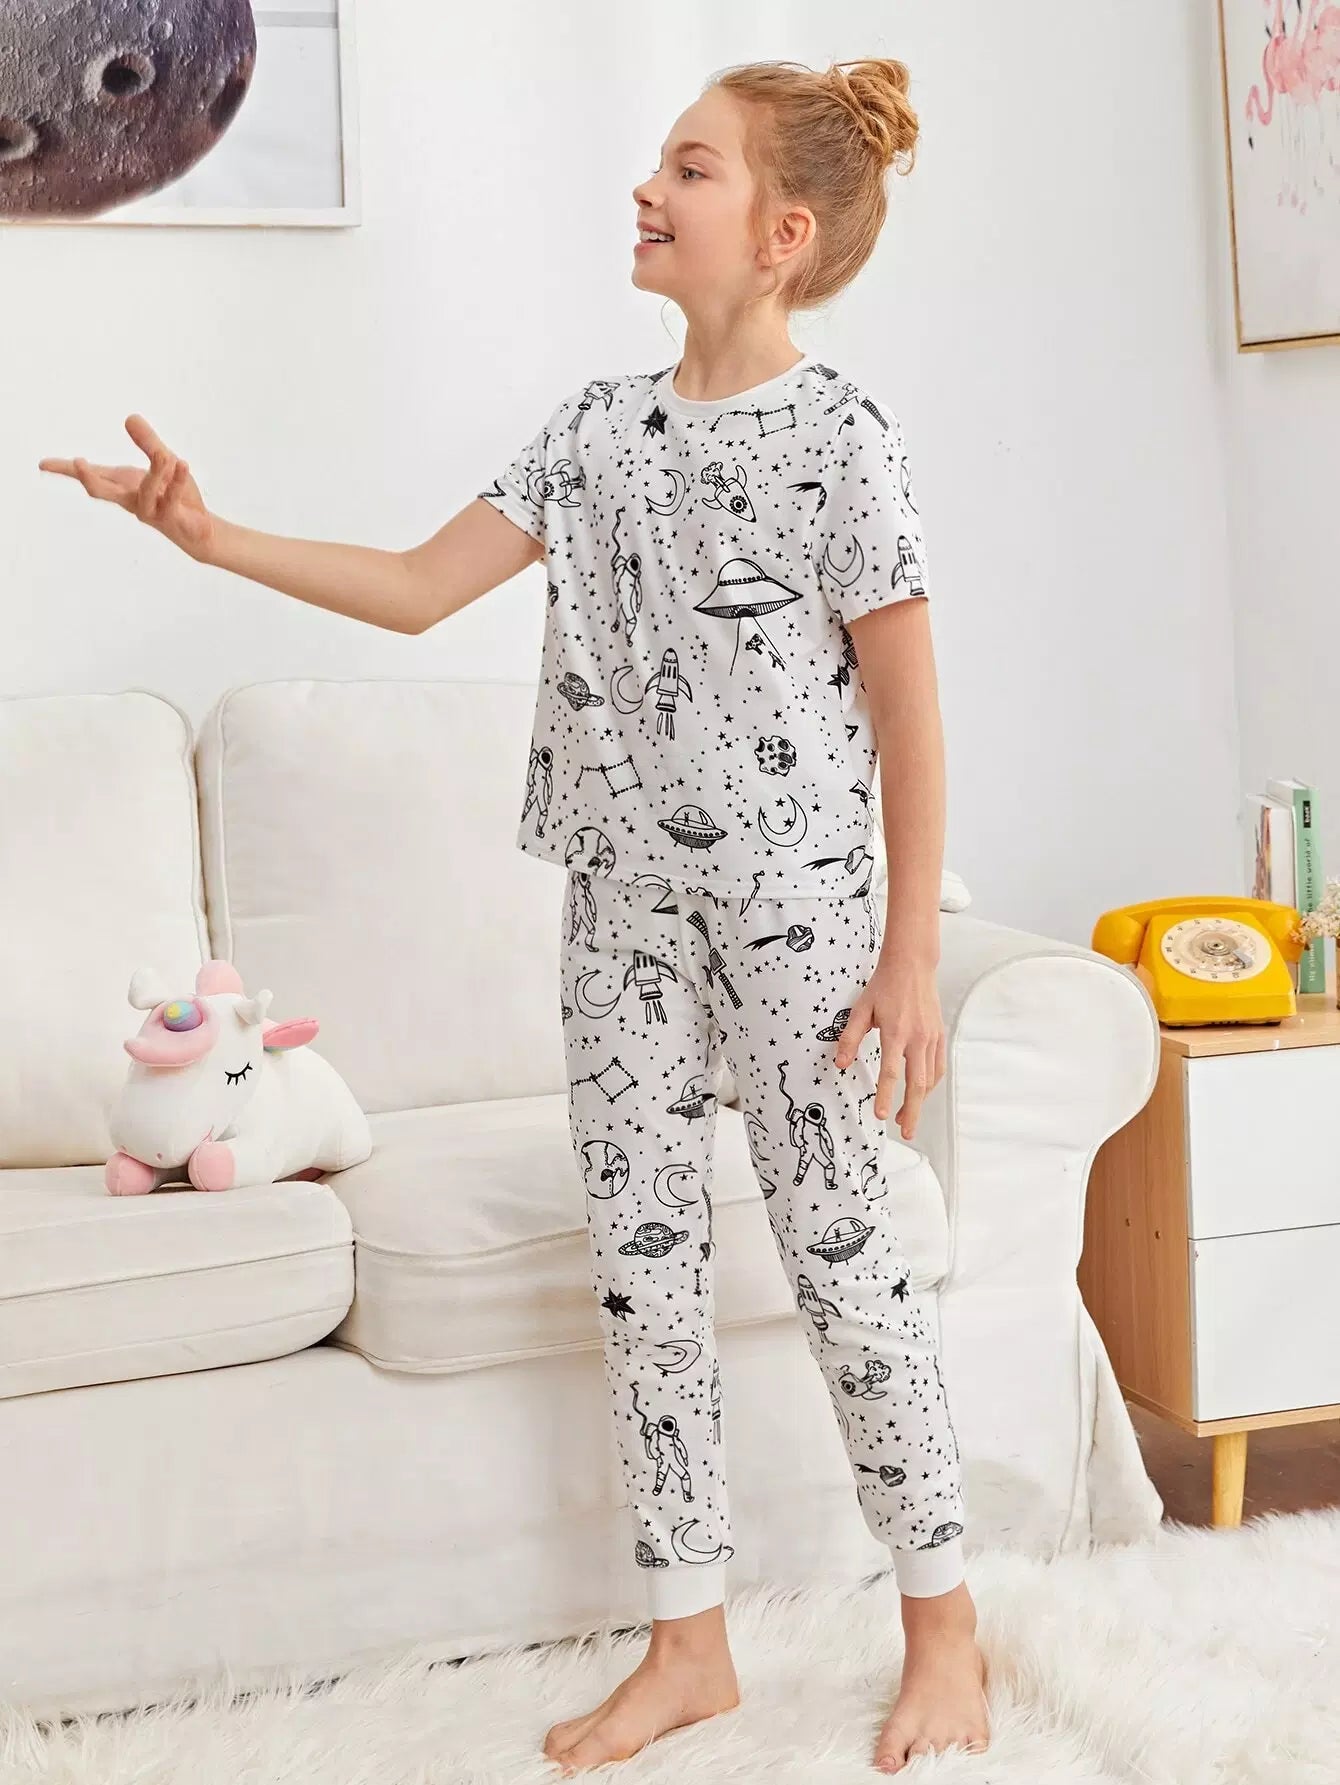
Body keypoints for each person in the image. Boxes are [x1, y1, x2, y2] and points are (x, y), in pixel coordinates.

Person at [38, 54, 990, 1778]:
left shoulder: (842, 440)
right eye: (656, 163)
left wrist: (910, 953)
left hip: (799, 922)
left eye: (688, 169)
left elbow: (913, 716)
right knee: (642, 1275)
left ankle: (944, 1627)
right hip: (619, 909)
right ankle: (687, 1643)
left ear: (780, 233)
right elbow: (419, 588)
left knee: (848, 1260)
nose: (647, 190)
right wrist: (208, 535)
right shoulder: (594, 431)